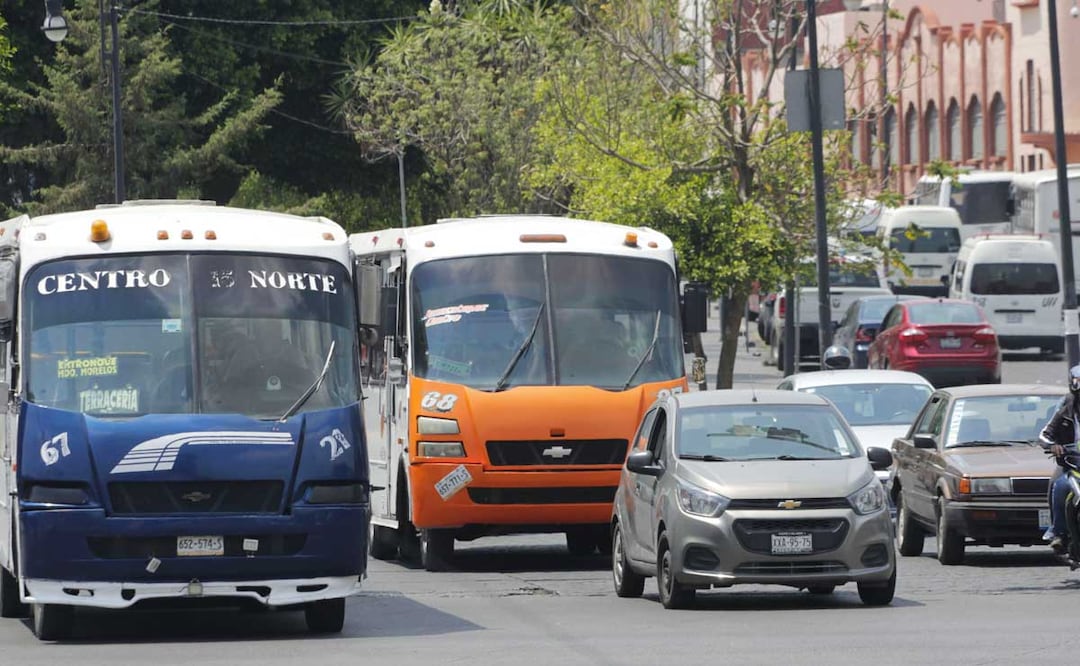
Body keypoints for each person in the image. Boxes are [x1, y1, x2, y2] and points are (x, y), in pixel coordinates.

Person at [1038, 365, 1080, 553]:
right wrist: (1053, 446)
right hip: (1072, 466)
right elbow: (1045, 435)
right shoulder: (1065, 410)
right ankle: (1059, 532)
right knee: (1059, 486)